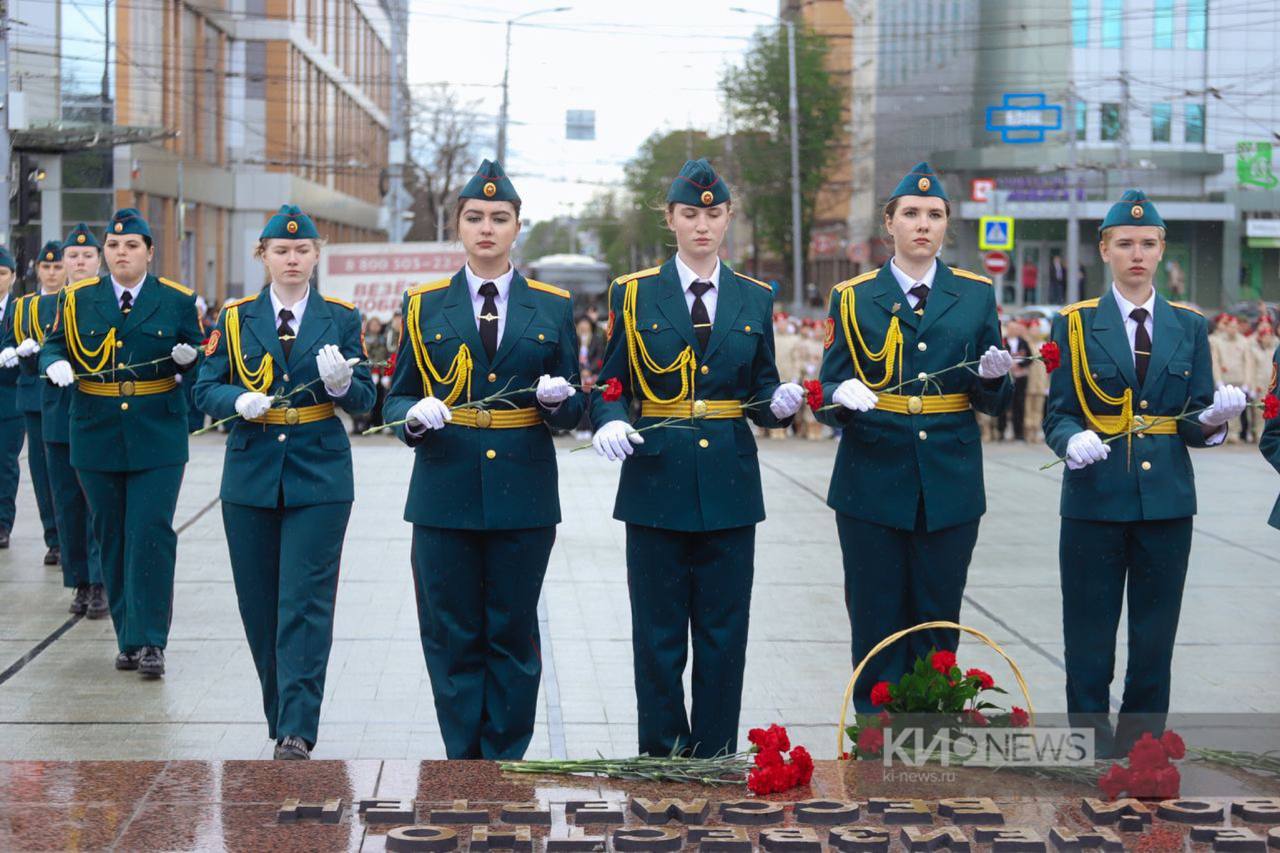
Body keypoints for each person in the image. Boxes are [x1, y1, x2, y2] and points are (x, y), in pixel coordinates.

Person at [589, 158, 804, 757]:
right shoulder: (633, 294)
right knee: (657, 637)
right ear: (671, 219)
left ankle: (713, 755)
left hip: (731, 488)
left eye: (713, 214)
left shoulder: (754, 297)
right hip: (655, 481)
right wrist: (607, 420)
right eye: (690, 214)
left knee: (722, 635)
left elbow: (761, 390)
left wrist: (780, 402)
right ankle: (660, 755)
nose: (702, 225)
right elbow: (613, 384)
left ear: (728, 217)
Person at [383, 160, 585, 759]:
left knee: (513, 635)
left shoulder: (550, 305)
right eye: (475, 218)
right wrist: (412, 416)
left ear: (518, 227)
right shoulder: (423, 305)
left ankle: (505, 759)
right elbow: (394, 396)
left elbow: (573, 406)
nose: (487, 228)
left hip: (522, 495)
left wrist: (559, 403)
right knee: (450, 636)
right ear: (459, 228)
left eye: (500, 218)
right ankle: (460, 762)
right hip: (444, 492)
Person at [1043, 189, 1247, 757]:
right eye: (1125, 243)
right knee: (1088, 634)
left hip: (1166, 504)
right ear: (1104, 250)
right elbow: (1056, 412)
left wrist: (1214, 421)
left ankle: (1142, 751)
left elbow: (1193, 419)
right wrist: (1070, 438)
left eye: (1148, 244)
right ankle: (1088, 746)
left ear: (1161, 252)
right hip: (1093, 500)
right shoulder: (1076, 325)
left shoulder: (1188, 326)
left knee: (1155, 637)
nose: (1137, 253)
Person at [813, 162, 1014, 713]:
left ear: (947, 225)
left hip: (948, 480)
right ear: (890, 224)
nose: (922, 224)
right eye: (911, 214)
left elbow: (991, 398)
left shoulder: (974, 295)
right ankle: (874, 741)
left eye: (934, 214)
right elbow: (829, 387)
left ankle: (931, 743)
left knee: (937, 618)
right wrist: (840, 395)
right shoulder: (852, 297)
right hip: (870, 480)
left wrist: (995, 380)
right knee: (876, 619)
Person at [195, 205, 374, 760]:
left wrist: (344, 385)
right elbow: (202, 388)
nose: (292, 259)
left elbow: (368, 400)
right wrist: (234, 399)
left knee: (305, 602)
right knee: (260, 605)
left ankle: (297, 727)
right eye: (281, 251)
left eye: (301, 250)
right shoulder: (234, 318)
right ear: (263, 256)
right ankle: (282, 715)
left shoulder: (341, 317)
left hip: (319, 472)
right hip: (250, 473)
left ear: (317, 254)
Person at [40, 208, 204, 677]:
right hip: (96, 429)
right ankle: (127, 637)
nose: (121, 253)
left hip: (157, 431)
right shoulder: (76, 299)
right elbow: (56, 344)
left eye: (131, 245)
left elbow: (204, 348)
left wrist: (191, 359)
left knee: (150, 532)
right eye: (113, 246)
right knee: (110, 533)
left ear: (149, 252)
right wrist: (51, 364)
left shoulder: (174, 299)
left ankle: (152, 640)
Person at [40, 226, 109, 618]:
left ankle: (100, 581)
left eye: (86, 256)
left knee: (95, 501)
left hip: (94, 412)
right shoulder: (47, 305)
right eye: (72, 256)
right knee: (67, 502)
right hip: (56, 412)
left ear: (97, 261)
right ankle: (80, 581)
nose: (79, 262)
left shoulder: (105, 301)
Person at [3, 244, 63, 565]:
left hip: (64, 396)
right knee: (40, 473)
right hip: (32, 396)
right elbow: (10, 343)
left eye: (57, 267)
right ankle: (53, 539)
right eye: (46, 267)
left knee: (64, 474)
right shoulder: (23, 306)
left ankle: (68, 536)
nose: (51, 273)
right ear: (37, 270)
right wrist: (18, 351)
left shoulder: (73, 301)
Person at [0, 248, 23, 550]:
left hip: (9, 399)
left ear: (13, 277)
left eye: (2, 273)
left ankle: (2, 523)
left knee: (5, 464)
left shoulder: (20, 311)